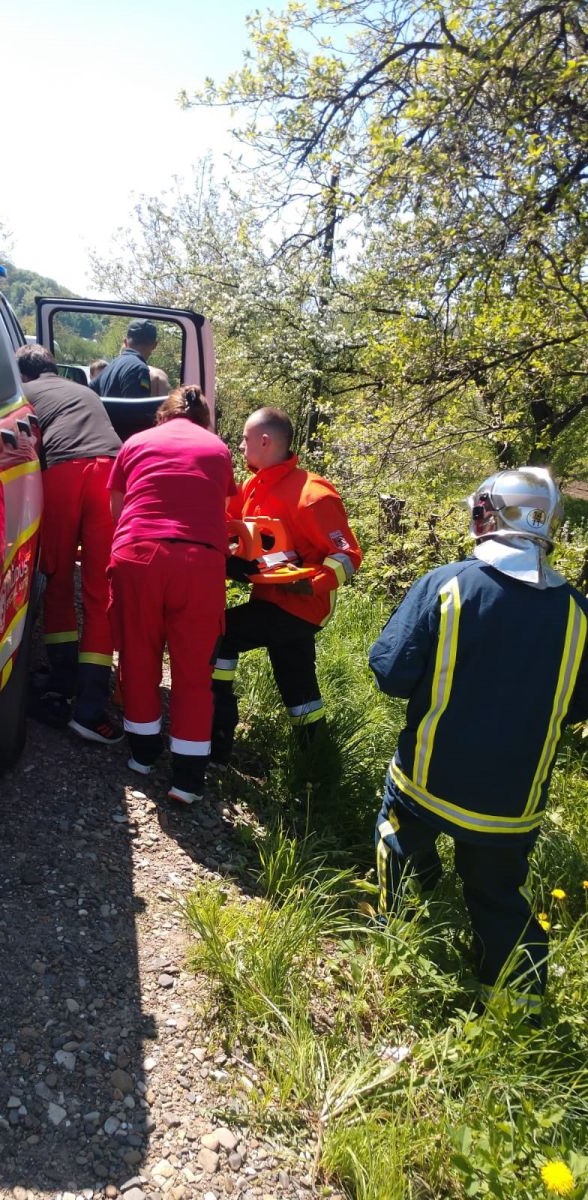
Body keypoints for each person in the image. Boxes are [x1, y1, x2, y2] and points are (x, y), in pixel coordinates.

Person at [369, 467, 587, 1019]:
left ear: (488, 515)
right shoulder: (579, 613)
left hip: (427, 780)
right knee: (498, 897)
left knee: (396, 839)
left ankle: (392, 936)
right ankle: (513, 1012)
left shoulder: (448, 584)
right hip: (512, 804)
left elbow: (391, 673)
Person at [108, 386, 237, 804]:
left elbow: (118, 506)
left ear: (162, 416)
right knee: (194, 671)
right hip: (199, 565)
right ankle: (188, 778)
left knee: (139, 655)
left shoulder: (136, 442)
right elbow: (220, 506)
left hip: (139, 553)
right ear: (202, 420)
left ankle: (143, 756)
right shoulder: (217, 449)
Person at [211, 407, 362, 764]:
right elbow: (231, 527)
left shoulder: (313, 494)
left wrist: (310, 584)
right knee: (299, 688)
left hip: (301, 607)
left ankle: (217, 735)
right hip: (273, 600)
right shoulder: (255, 485)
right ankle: (316, 761)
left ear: (265, 441)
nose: (241, 446)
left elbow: (347, 556)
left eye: (246, 439)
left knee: (221, 635)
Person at [15, 344, 123, 745]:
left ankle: (60, 680)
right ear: (53, 368)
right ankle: (92, 705)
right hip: (112, 475)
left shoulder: (23, 394)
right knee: (100, 591)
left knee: (57, 576)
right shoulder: (85, 391)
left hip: (63, 472)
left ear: (22, 374)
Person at [90, 319, 157, 398]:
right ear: (154, 345)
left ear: (125, 342)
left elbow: (88, 394)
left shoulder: (110, 366)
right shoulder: (139, 369)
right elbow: (138, 409)